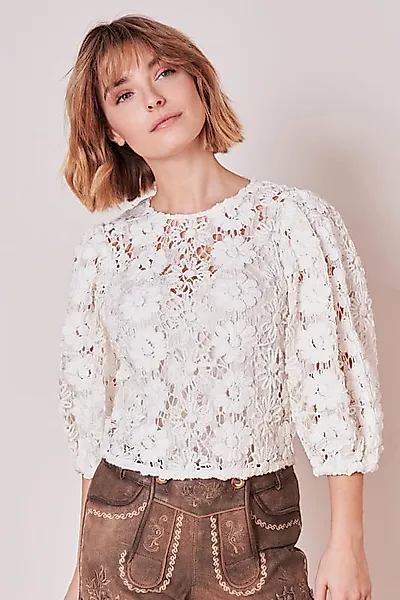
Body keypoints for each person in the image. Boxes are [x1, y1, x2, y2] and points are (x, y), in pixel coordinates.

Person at [58, 13, 384, 600]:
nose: (153, 99)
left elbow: (333, 389)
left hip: (253, 526)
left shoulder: (291, 221)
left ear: (198, 81)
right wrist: (80, 568)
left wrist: (348, 542)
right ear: (112, 130)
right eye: (125, 94)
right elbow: (91, 420)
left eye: (165, 72)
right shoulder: (106, 251)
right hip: (122, 524)